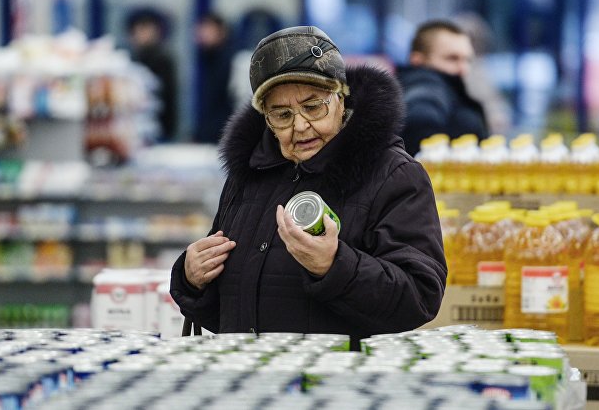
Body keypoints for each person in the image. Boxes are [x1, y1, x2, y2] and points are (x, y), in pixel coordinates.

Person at [170, 26, 447, 350]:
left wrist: (335, 266)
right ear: (266, 119)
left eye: (313, 106)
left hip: (337, 389)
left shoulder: (393, 175)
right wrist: (192, 278)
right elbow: (229, 311)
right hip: (251, 384)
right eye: (282, 115)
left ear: (341, 98)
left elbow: (420, 298)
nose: (300, 126)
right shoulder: (250, 173)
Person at [397, 19, 489, 155]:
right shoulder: (426, 82)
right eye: (452, 58)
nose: (463, 68)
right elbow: (419, 120)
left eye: (467, 60)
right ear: (417, 60)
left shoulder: (448, 90)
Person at [126, 7, 177, 142]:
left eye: (147, 29)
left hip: (159, 128)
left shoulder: (164, 60)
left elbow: (170, 98)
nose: (143, 34)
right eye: (139, 30)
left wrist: (169, 130)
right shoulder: (129, 59)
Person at [193, 12, 234, 144]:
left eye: (208, 30)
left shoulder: (228, 61)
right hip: (209, 137)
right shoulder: (207, 60)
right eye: (201, 30)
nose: (203, 35)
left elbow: (224, 105)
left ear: (222, 32)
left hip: (221, 137)